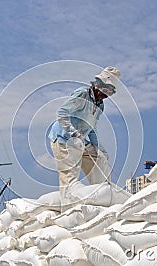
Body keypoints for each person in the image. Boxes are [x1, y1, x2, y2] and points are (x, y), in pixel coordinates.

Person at [48, 66, 121, 208]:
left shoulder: (100, 105)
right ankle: (68, 207)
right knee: (70, 176)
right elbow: (61, 113)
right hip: (64, 138)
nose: (105, 95)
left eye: (109, 93)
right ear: (98, 85)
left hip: (81, 140)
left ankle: (102, 196)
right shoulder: (82, 95)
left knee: (100, 158)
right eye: (104, 90)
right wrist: (73, 132)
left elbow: (91, 128)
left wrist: (97, 146)